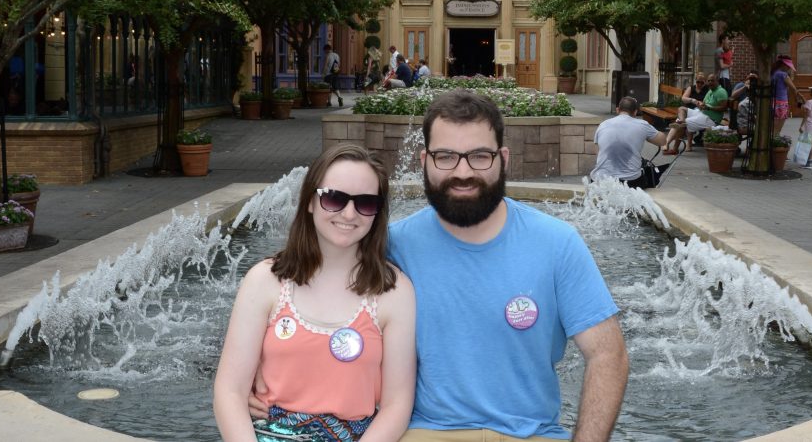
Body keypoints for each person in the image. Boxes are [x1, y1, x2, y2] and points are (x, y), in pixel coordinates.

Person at [251, 92, 629, 440]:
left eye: (480, 156)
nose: (462, 171)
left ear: (504, 159)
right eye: (445, 156)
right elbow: (315, 308)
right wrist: (261, 378)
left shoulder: (557, 244)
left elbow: (608, 354)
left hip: (530, 434)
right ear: (424, 161)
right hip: (422, 433)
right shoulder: (389, 247)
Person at [215, 144, 416, 442]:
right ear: (310, 201)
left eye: (366, 203)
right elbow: (229, 391)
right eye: (334, 198)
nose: (349, 213)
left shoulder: (393, 291)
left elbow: (396, 405)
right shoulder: (265, 281)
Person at [591, 96, 668, 188]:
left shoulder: (603, 124)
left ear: (617, 110)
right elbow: (663, 141)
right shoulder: (642, 125)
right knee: (646, 175)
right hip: (630, 181)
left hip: (599, 179)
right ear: (635, 112)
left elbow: (597, 152)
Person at [664, 74, 728, 156]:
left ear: (717, 81)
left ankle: (674, 149)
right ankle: (682, 122)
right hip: (702, 112)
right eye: (709, 81)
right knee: (681, 109)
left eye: (712, 80)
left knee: (680, 124)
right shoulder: (711, 90)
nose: (710, 82)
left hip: (710, 119)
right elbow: (704, 103)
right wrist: (701, 104)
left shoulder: (721, 92)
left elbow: (724, 108)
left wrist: (709, 108)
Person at [771, 55, 805, 136]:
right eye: (788, 66)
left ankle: (773, 141)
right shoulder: (783, 74)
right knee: (778, 128)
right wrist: (800, 98)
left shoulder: (774, 73)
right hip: (782, 103)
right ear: (784, 65)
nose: (789, 68)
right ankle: (776, 141)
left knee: (774, 126)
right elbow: (793, 88)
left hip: (773, 102)